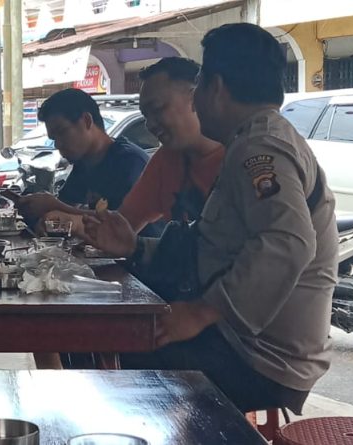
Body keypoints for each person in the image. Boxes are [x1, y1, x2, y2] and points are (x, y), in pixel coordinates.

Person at [85, 23, 338, 414]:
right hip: (241, 341)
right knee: (109, 341)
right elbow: (211, 246)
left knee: (108, 352)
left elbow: (288, 241)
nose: (196, 100)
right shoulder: (250, 140)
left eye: (198, 86)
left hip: (259, 357)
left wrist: (200, 312)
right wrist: (135, 247)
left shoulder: (260, 148)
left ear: (215, 87)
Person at [45, 57, 224, 240]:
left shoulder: (236, 160)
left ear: (197, 97)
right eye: (146, 116)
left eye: (157, 109)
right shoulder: (166, 160)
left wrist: (66, 215)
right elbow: (122, 227)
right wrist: (68, 222)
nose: (150, 125)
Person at [14, 88, 150, 229]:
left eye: (62, 132)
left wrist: (55, 206)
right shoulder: (84, 163)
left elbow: (121, 226)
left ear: (86, 121)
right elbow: (67, 205)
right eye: (53, 138)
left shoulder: (129, 162)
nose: (58, 144)